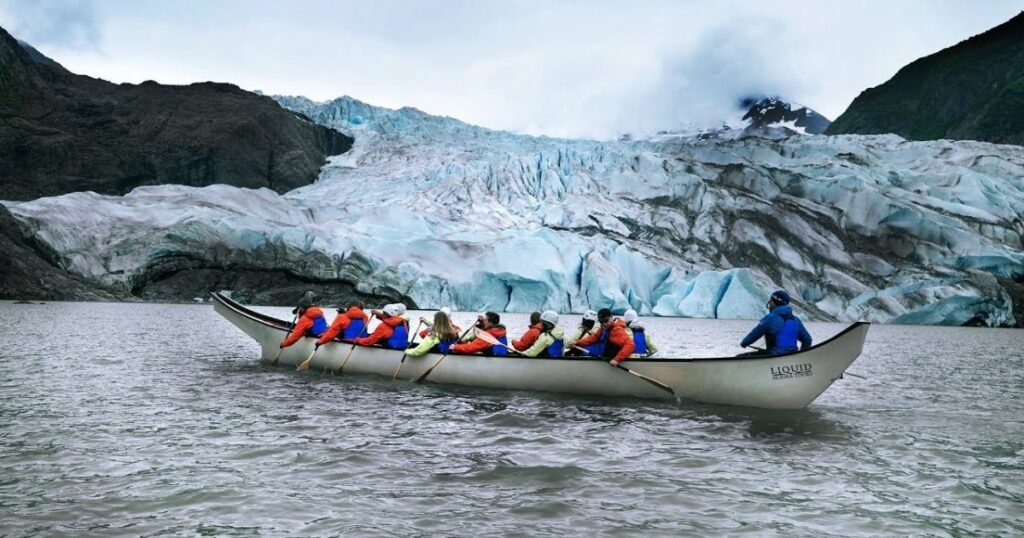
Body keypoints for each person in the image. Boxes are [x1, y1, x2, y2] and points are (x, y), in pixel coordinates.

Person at [739, 290, 812, 356]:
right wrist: (800, 356)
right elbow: (807, 340)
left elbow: (755, 333)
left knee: (740, 357)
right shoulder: (796, 320)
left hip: (773, 356)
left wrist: (744, 343)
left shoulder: (770, 318)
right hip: (792, 356)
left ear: (775, 302)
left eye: (770, 301)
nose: (769, 303)